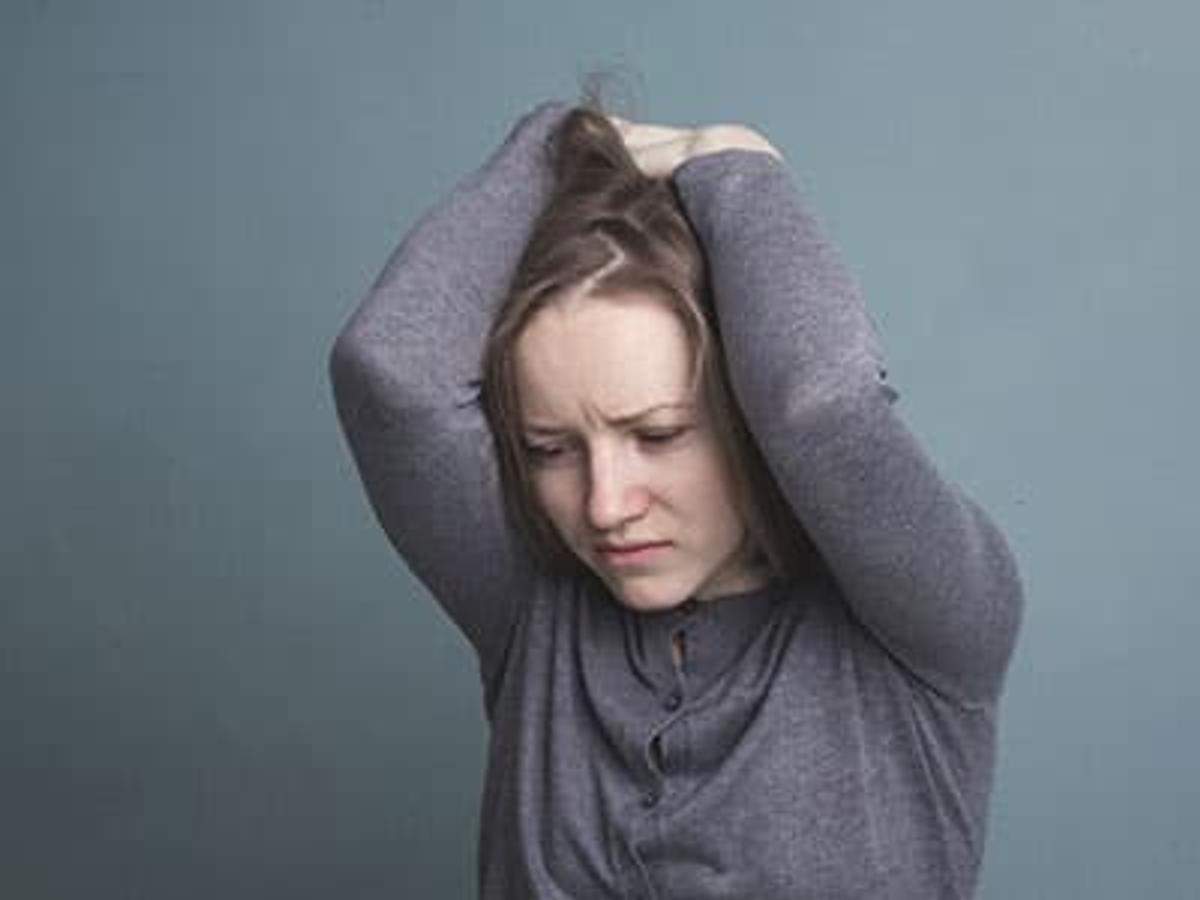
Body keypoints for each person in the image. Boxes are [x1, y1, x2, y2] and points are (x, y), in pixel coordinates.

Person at [328, 96, 1024, 899]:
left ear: (747, 414)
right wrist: (564, 140)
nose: (605, 505)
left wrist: (732, 162)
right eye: (551, 449)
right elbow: (389, 377)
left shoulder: (933, 619)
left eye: (657, 435)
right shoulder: (532, 607)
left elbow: (821, 406)